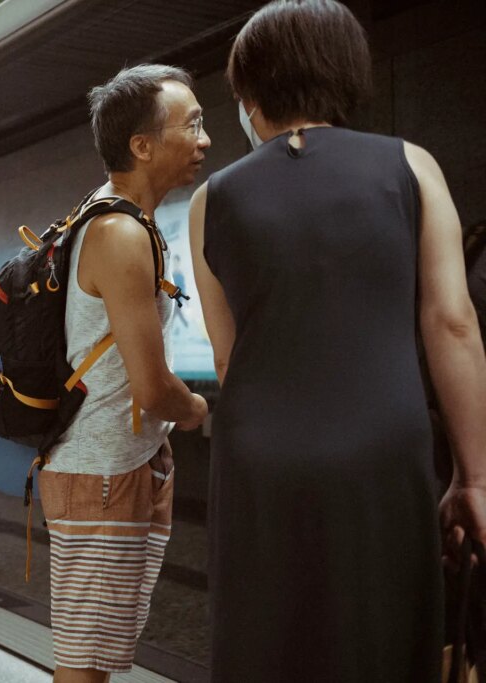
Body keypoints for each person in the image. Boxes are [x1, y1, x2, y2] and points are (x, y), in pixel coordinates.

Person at [187, 2, 486, 680]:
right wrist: (474, 475)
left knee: (267, 638)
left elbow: (230, 355)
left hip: (260, 456)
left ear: (250, 92)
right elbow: (452, 322)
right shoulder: (411, 167)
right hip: (382, 445)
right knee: (380, 631)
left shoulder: (214, 199)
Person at [38, 64, 210, 682]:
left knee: (100, 658)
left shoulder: (120, 219)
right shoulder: (117, 231)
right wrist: (198, 410)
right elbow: (152, 385)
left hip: (119, 466)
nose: (204, 139)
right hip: (99, 472)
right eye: (190, 124)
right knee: (85, 666)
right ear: (141, 145)